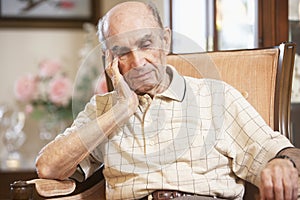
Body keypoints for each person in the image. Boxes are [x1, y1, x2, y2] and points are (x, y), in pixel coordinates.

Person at [36, 1, 300, 199]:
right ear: (108, 59)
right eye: (122, 52)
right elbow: (48, 167)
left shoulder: (216, 97)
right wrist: (120, 110)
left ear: (166, 39)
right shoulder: (102, 110)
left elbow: (285, 153)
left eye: (146, 43)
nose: (138, 62)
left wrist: (283, 164)